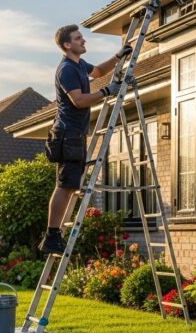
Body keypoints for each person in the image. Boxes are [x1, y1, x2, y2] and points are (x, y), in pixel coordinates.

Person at [38, 24, 132, 254]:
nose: (84, 41)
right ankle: (51, 236)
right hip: (67, 134)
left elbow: (98, 71)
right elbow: (78, 101)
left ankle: (54, 235)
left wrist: (118, 55)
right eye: (79, 38)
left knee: (70, 187)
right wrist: (107, 92)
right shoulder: (67, 69)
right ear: (67, 45)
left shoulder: (79, 65)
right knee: (65, 185)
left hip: (76, 133)